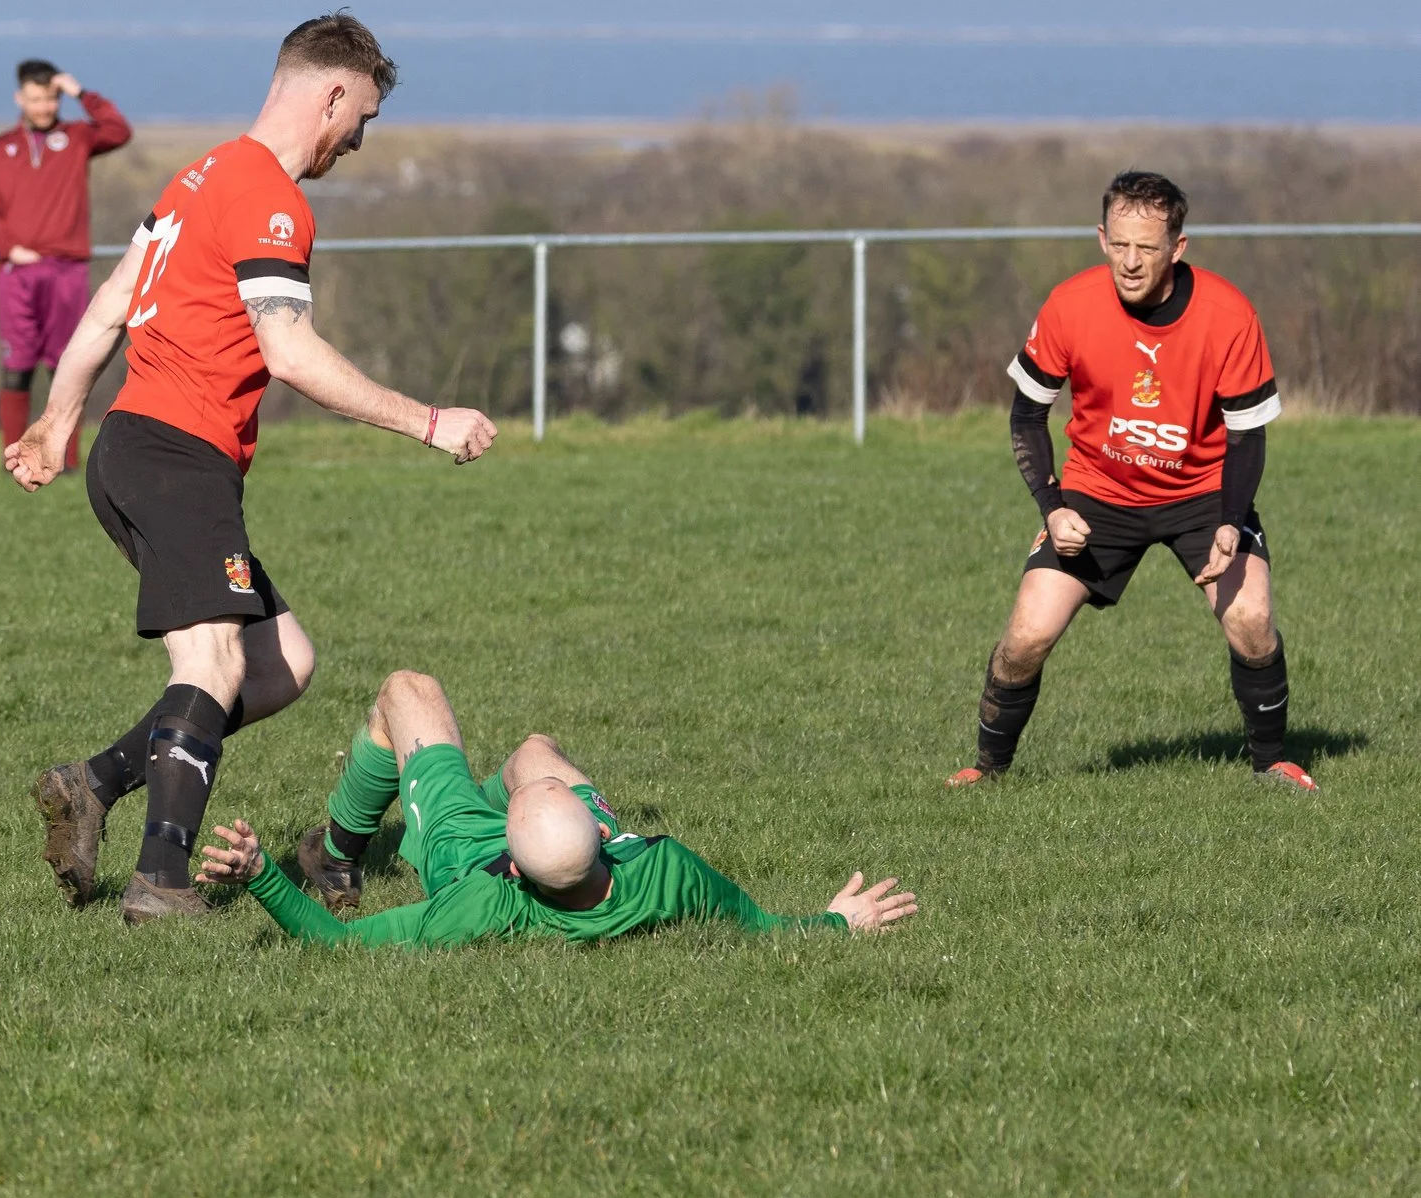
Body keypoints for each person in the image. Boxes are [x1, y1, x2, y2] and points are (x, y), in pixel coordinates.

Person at [6, 11, 499, 925]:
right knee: (216, 657)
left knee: (283, 664)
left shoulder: (199, 175)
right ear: (334, 93)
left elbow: (114, 301)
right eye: (364, 120)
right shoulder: (272, 196)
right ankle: (162, 881)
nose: (356, 141)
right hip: (173, 451)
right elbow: (290, 353)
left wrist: (59, 419)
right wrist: (428, 422)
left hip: (136, 451)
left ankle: (94, 782)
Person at [950, 170, 1313, 790]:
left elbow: (1248, 435)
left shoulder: (1228, 314)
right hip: (1098, 495)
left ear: (1178, 247)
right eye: (1118, 245)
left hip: (1202, 495)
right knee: (1027, 634)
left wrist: (1230, 520)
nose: (1130, 261)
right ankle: (987, 772)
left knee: (1251, 619)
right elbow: (1027, 415)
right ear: (1100, 237)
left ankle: (1271, 763)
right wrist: (1051, 506)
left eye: (1146, 248)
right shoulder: (1071, 304)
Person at [197, 670, 919, 948]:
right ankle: (531, 783)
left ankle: (337, 856)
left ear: (511, 865)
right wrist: (834, 922)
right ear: (604, 834)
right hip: (556, 849)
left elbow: (339, 947)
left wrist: (263, 872)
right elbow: (762, 925)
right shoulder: (663, 870)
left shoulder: (478, 904)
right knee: (534, 749)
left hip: (456, 843)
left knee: (407, 692)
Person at [0, 60, 132, 466]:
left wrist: (82, 93)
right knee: (17, 363)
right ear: (20, 98)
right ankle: (14, 455)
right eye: (36, 98)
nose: (43, 107)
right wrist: (9, 247)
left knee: (67, 365)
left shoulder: (77, 137)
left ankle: (64, 458)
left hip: (67, 269)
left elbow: (118, 130)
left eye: (50, 98)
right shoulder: (0, 148)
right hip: (17, 271)